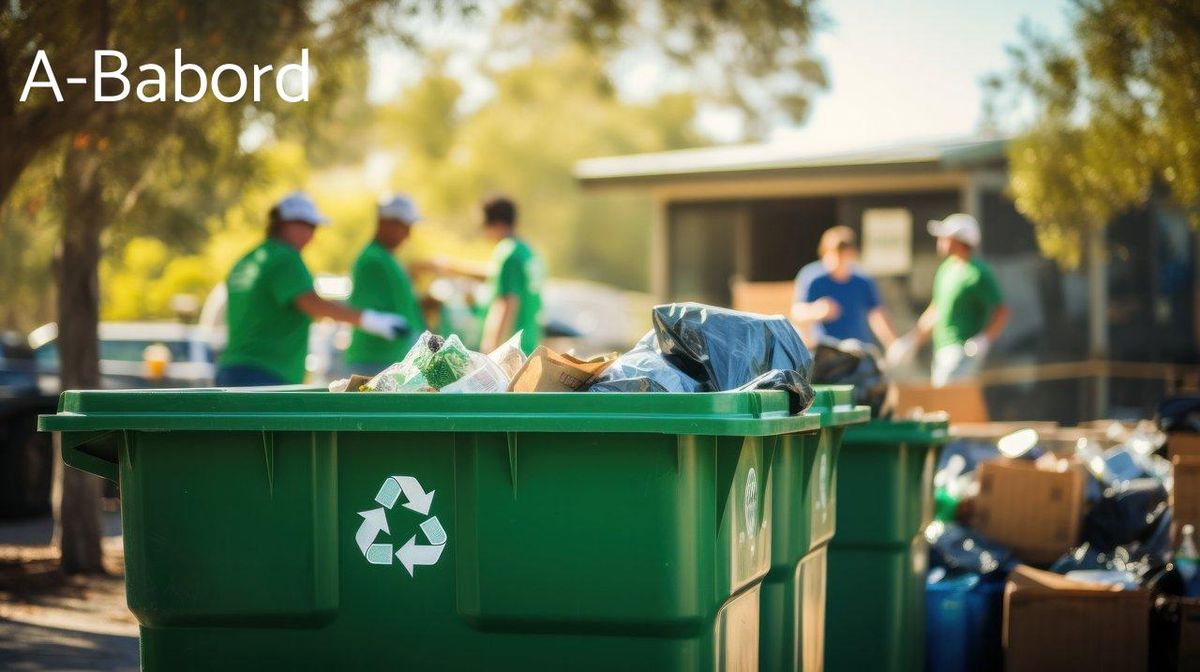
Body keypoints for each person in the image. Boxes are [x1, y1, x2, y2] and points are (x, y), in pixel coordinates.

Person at [215, 192, 408, 386]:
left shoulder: (248, 259)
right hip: (266, 372)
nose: (312, 234)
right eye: (309, 226)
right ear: (288, 223)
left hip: (231, 369)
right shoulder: (286, 258)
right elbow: (312, 304)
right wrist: (372, 320)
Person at [888, 213, 1010, 387]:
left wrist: (984, 339)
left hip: (963, 351)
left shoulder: (977, 273)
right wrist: (911, 341)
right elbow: (935, 310)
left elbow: (1001, 311)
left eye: (946, 237)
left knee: (948, 402)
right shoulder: (946, 270)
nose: (940, 240)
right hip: (940, 350)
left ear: (960, 241)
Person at [427, 196, 544, 354]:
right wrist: (454, 268)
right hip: (529, 343)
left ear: (494, 223)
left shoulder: (508, 253)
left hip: (508, 350)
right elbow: (493, 275)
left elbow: (507, 301)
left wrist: (491, 349)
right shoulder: (527, 252)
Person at [344, 194, 427, 375]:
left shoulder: (386, 258)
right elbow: (363, 307)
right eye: (403, 227)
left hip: (391, 358)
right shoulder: (372, 259)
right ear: (385, 223)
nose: (408, 234)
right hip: (374, 360)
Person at [791, 226, 897, 347]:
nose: (837, 262)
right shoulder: (812, 277)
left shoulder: (862, 280)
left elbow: (877, 315)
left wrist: (892, 344)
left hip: (859, 349)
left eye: (843, 256)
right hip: (826, 350)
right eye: (834, 255)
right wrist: (816, 311)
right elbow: (797, 312)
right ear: (824, 253)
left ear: (852, 255)